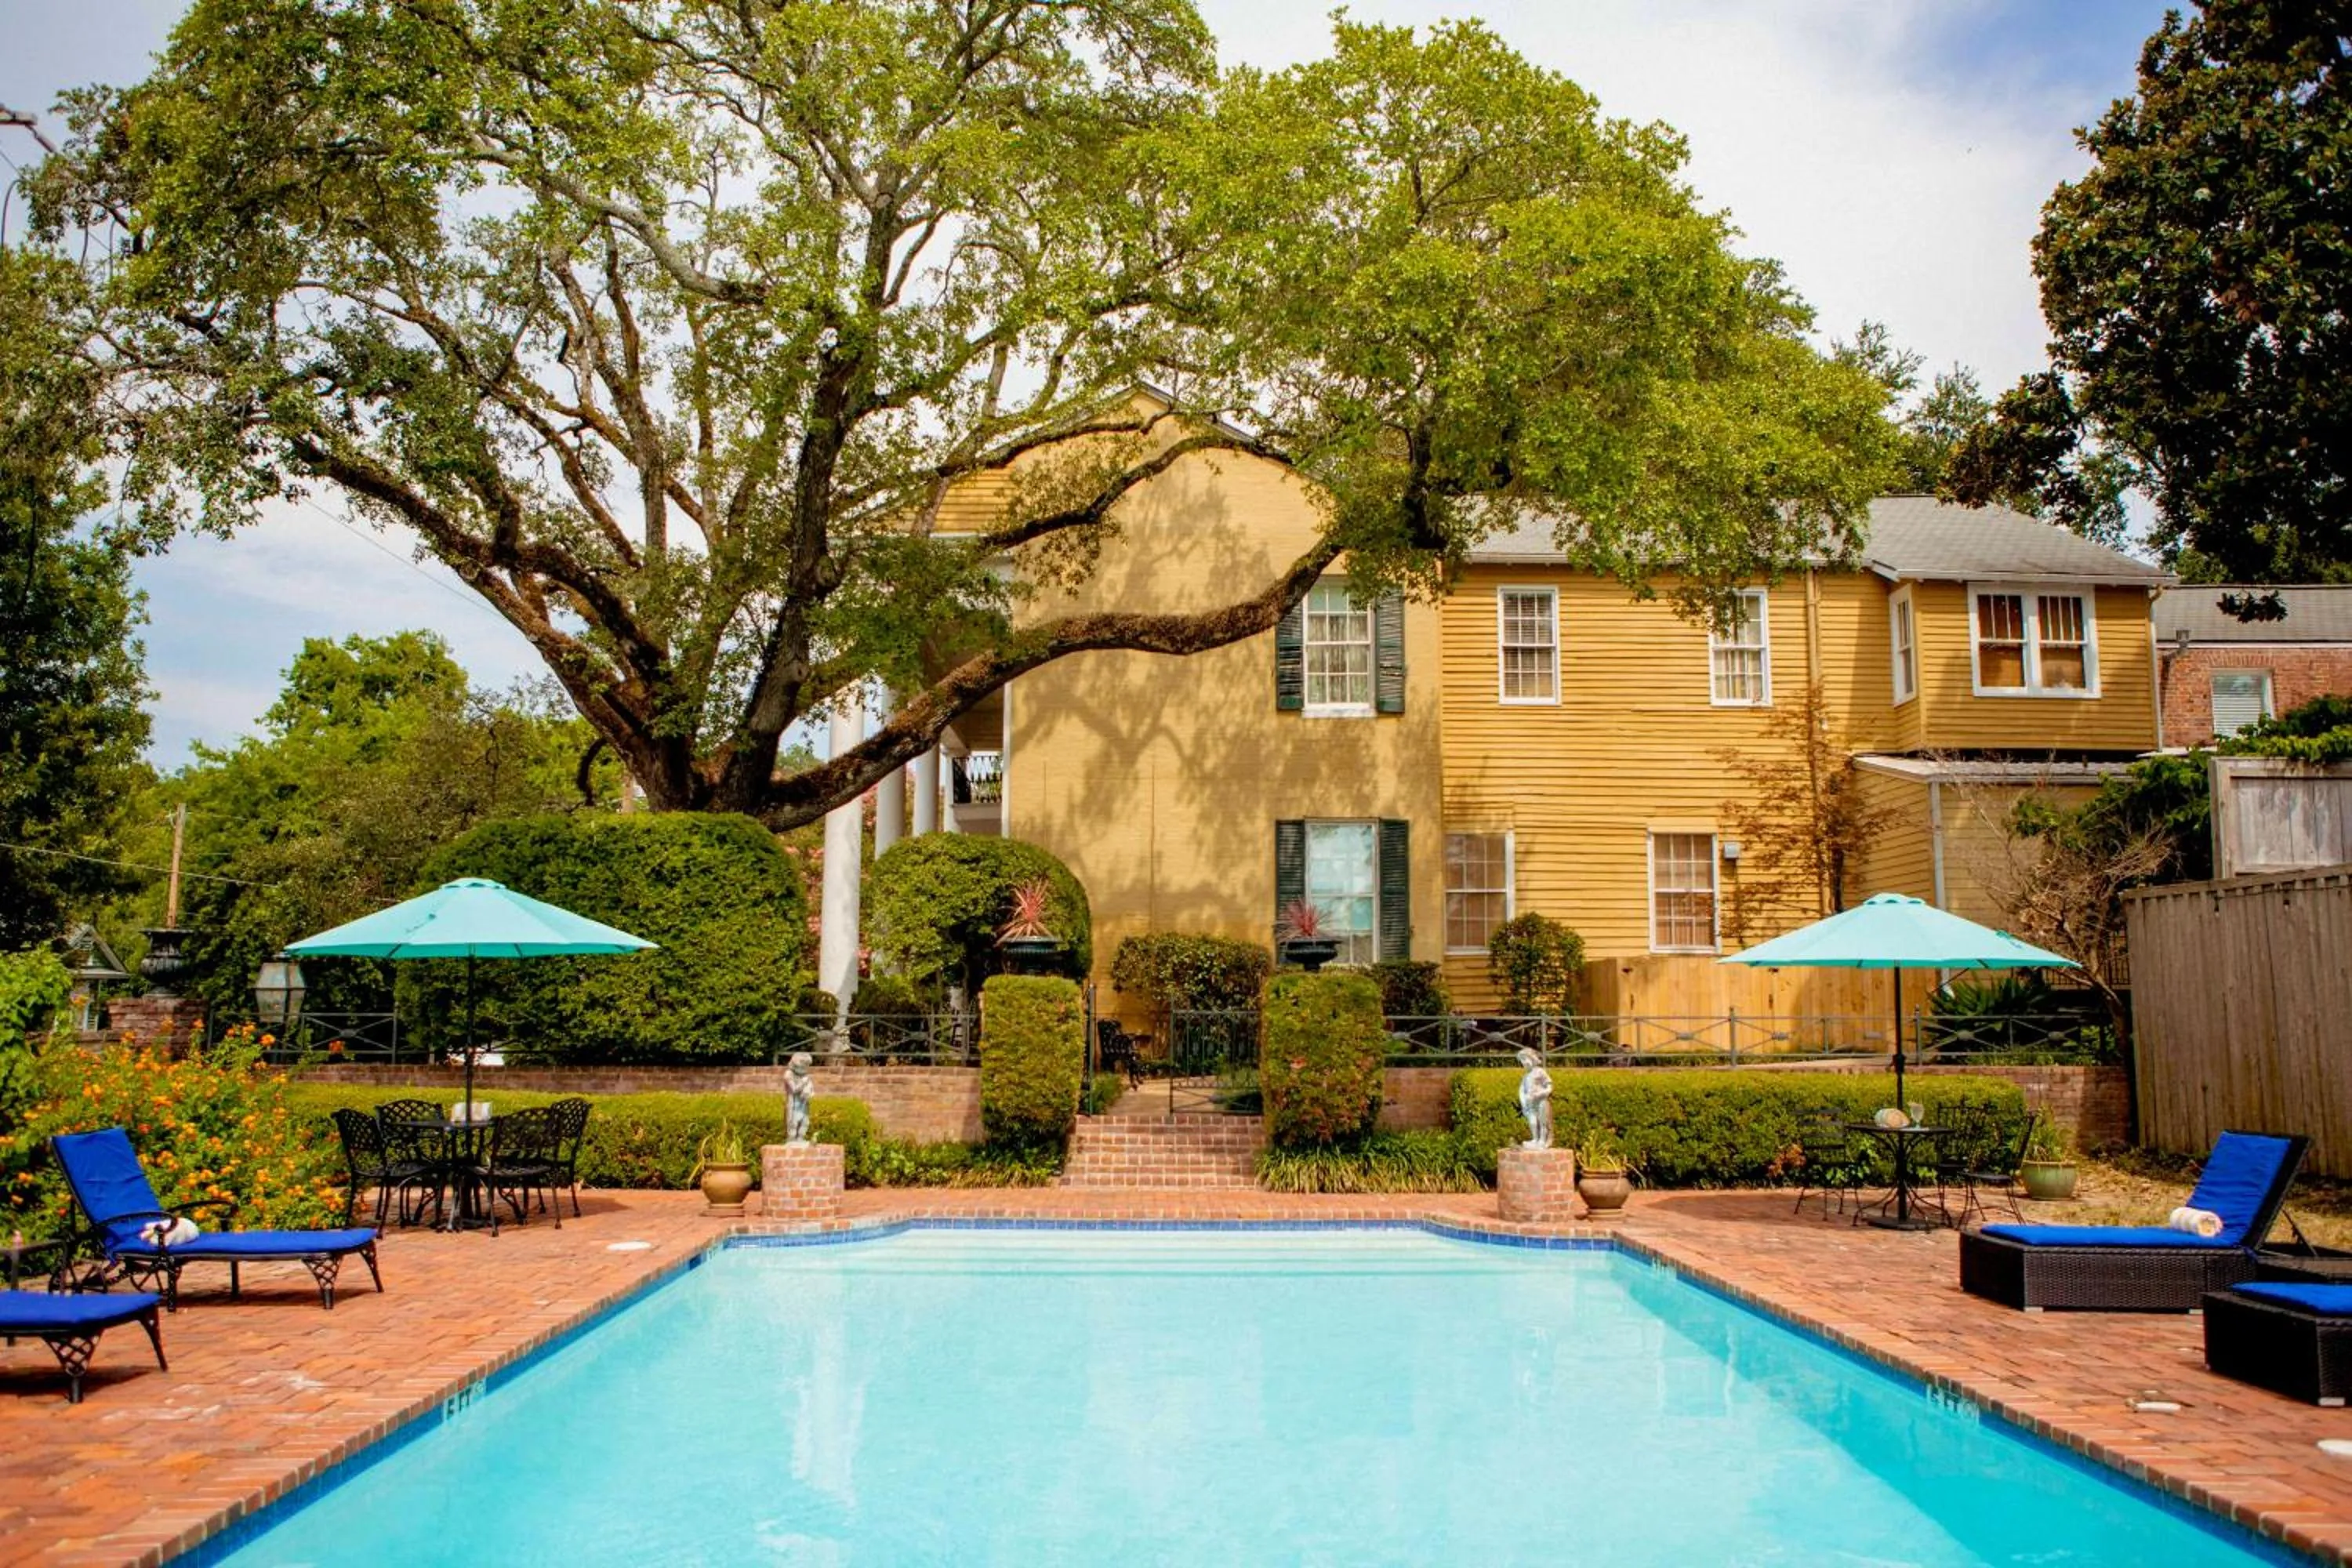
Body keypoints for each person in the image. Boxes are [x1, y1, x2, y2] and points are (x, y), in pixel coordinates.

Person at [1515, 1047, 1553, 1149]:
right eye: (1521, 1062)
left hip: (1541, 1101)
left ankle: (1542, 1140)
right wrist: (1523, 1102)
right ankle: (1535, 1139)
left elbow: (1549, 1087)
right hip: (1530, 1104)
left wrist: (1540, 1094)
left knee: (1543, 1121)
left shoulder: (1540, 1072)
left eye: (1525, 1060)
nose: (1523, 1063)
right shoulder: (1526, 1076)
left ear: (1532, 1058)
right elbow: (1522, 1090)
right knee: (1532, 1121)